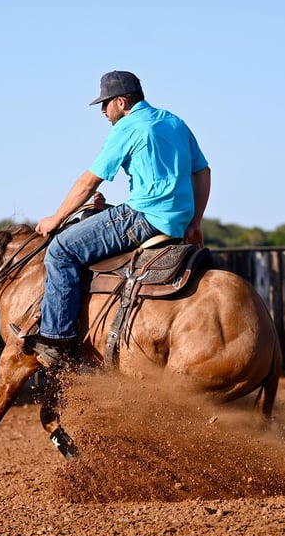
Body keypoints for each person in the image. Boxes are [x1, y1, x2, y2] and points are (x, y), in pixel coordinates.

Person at [14, 70, 211, 368]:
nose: (103, 111)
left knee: (61, 250)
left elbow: (89, 182)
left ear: (121, 101)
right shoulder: (174, 121)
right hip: (178, 223)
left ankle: (56, 339)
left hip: (143, 218)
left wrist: (56, 218)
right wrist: (195, 222)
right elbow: (203, 171)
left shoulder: (127, 127)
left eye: (105, 104)